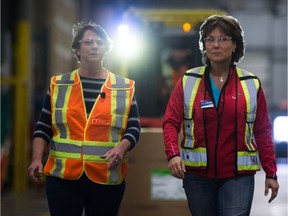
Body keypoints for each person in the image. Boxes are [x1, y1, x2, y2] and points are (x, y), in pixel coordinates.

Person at [162, 15, 279, 216]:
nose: (216, 44)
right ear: (204, 45)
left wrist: (271, 172)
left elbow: (262, 131)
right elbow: (171, 122)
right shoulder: (188, 80)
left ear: (235, 45)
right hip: (197, 177)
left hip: (237, 178)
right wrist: (173, 154)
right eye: (210, 39)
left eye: (223, 38)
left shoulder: (251, 83)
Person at [28, 21, 141, 216]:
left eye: (99, 42)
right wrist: (37, 158)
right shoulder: (59, 85)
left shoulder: (124, 87)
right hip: (63, 178)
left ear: (106, 49)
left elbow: (133, 128)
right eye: (88, 41)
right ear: (77, 49)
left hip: (105, 177)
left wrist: (121, 148)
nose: (95, 46)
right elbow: (43, 127)